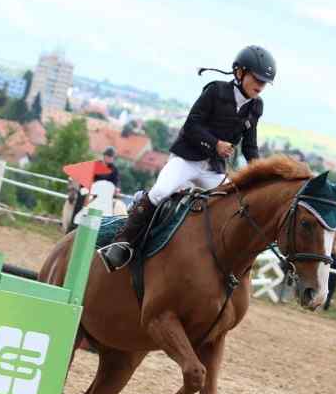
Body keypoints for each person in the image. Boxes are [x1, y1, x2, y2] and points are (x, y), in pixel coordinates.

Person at [98, 45, 275, 272]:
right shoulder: (215, 91)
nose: (260, 86)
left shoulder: (256, 106)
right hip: (187, 159)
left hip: (214, 170)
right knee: (161, 192)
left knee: (234, 206)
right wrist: (215, 144)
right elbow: (192, 125)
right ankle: (121, 245)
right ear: (240, 72)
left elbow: (250, 146)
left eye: (264, 82)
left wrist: (260, 173)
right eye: (257, 79)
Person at [323, 239, 336, 311]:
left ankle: (326, 307)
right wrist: (335, 261)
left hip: (334, 277)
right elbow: (330, 262)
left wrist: (335, 261)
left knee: (330, 292)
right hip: (325, 274)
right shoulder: (329, 252)